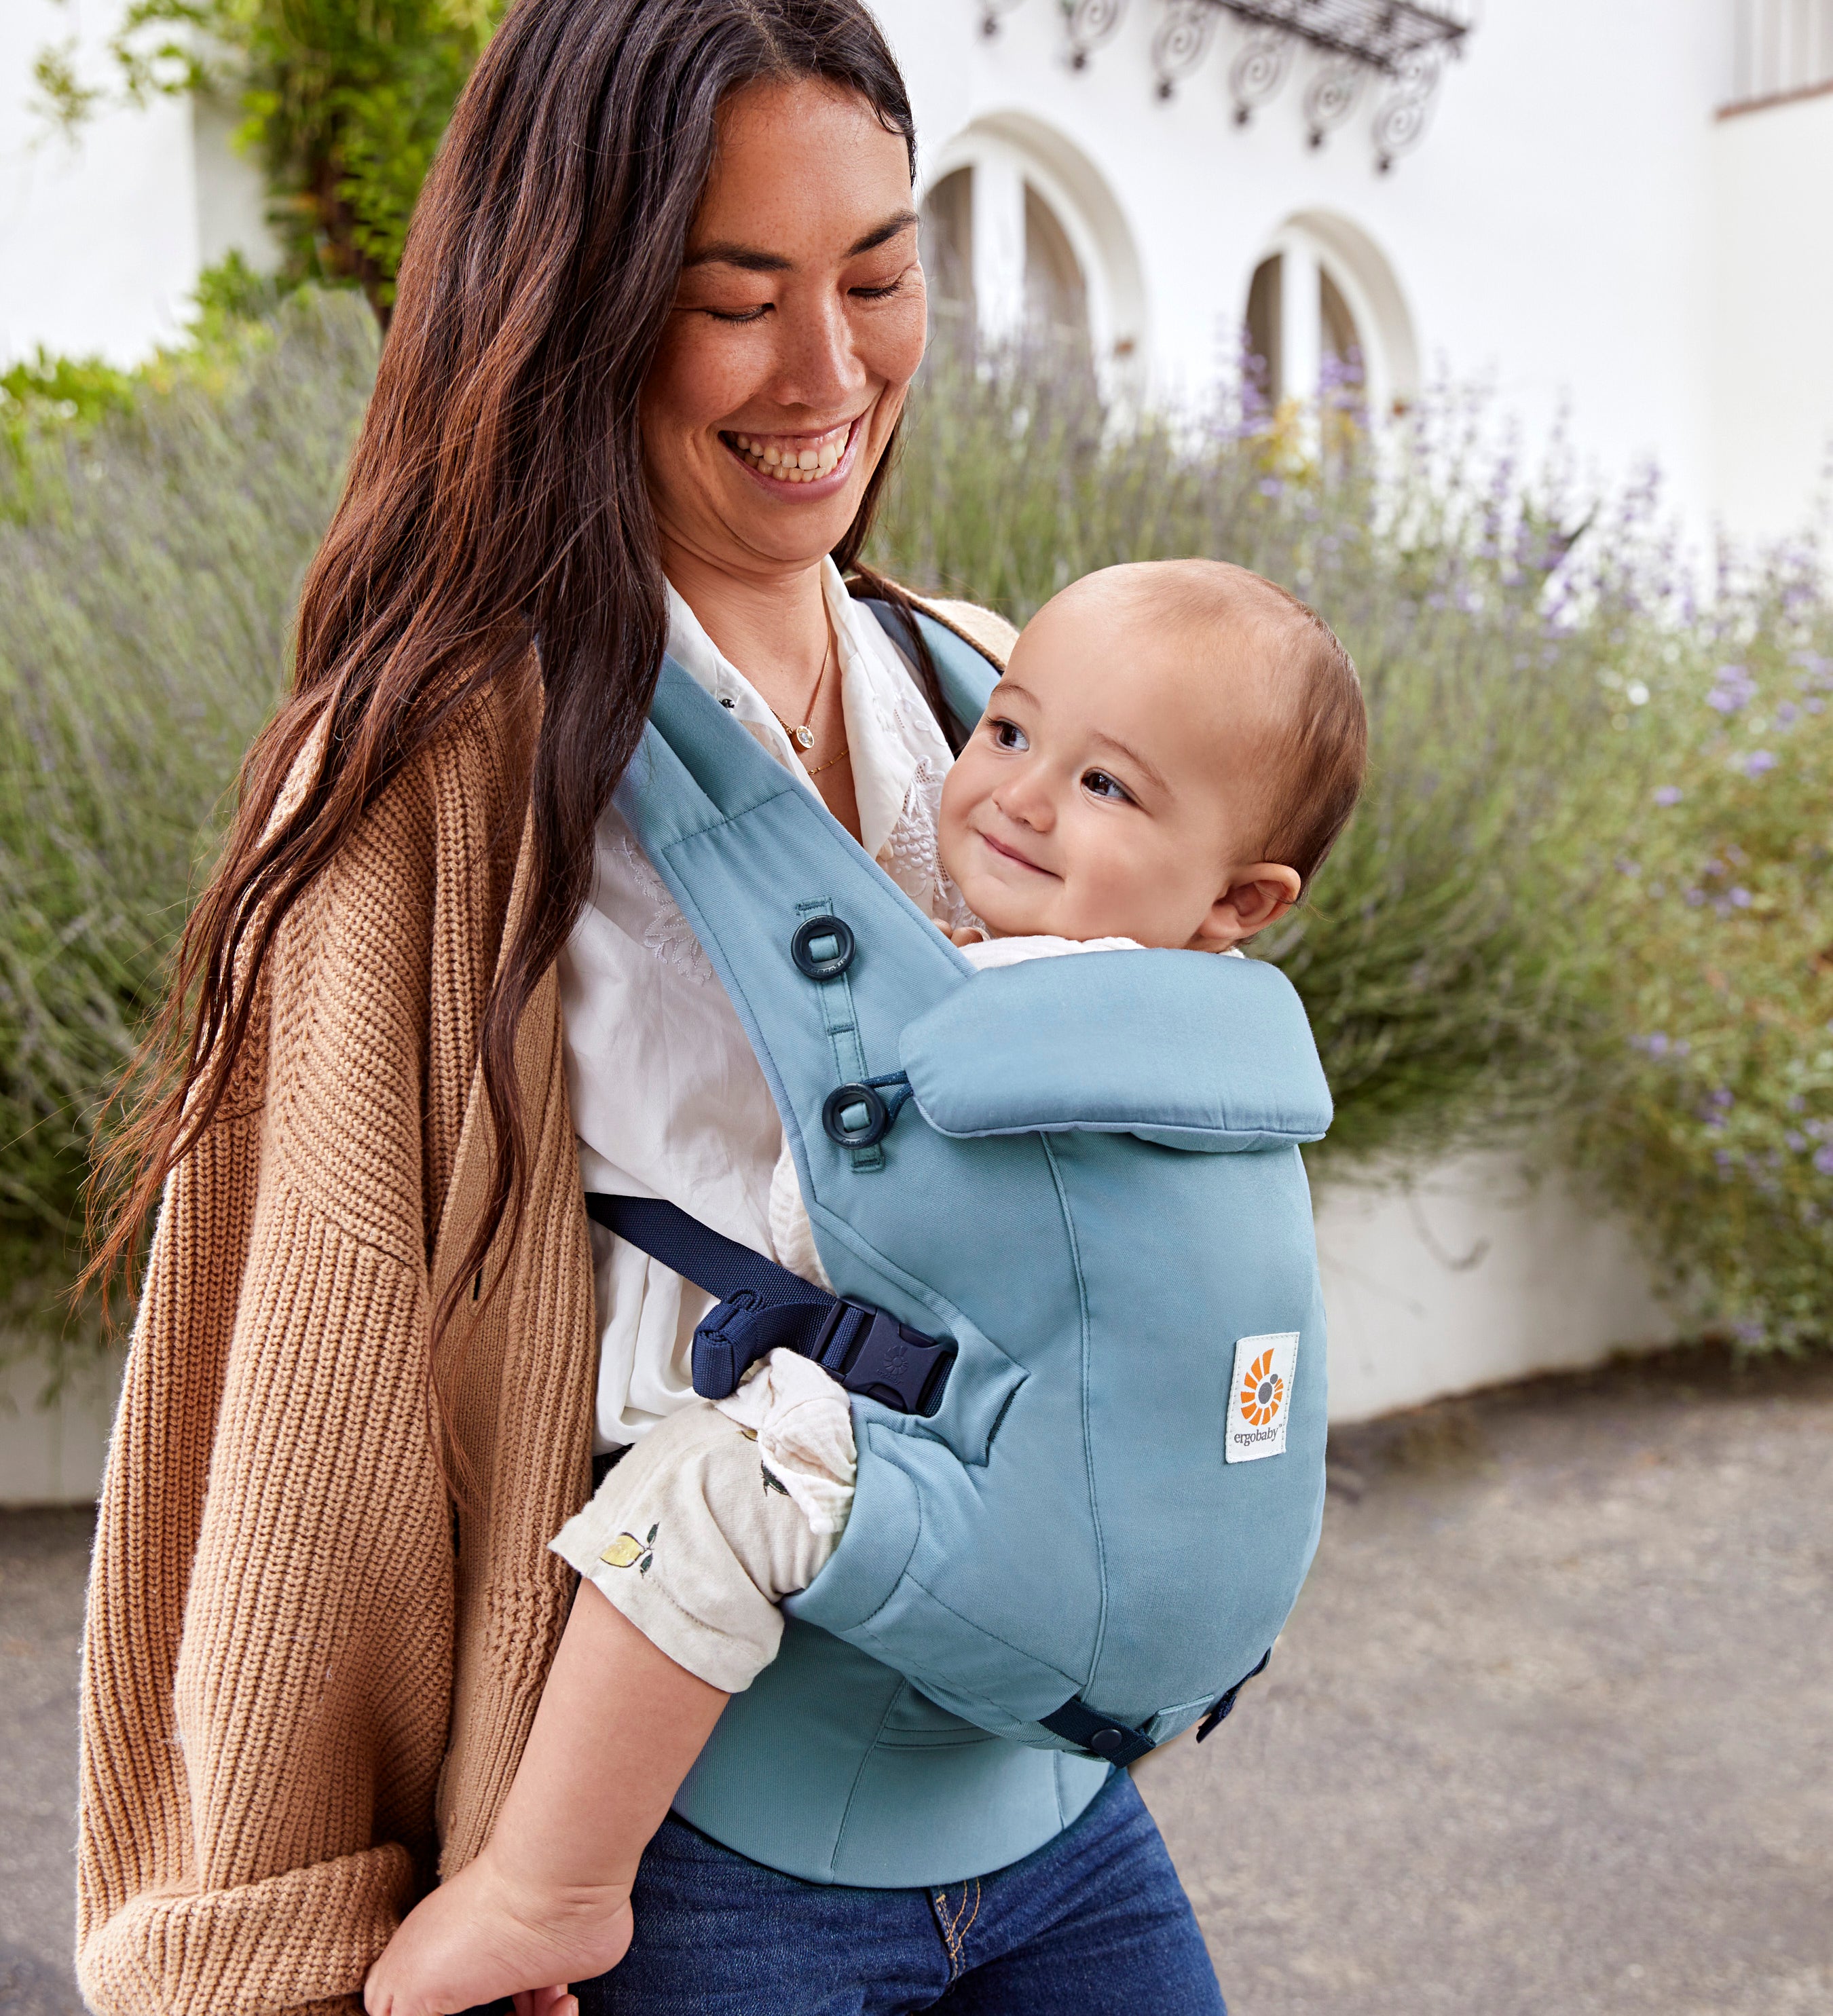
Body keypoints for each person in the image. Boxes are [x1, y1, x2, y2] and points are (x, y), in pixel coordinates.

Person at [74, 4, 1236, 2013]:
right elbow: (305, 1397)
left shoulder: (978, 689)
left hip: (1038, 1808)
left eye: (878, 276)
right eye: (734, 298)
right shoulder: (433, 773)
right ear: (576, 303)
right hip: (682, 1861)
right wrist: (287, 1932)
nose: (830, 369)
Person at [361, 558, 1366, 2016]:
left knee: (710, 1485)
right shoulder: (1234, 1061)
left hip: (1009, 1710)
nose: (1019, 795)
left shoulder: (993, 1015)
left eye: (1107, 788)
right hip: (1078, 1732)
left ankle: (547, 1887)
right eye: (1009, 732)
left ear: (1243, 897)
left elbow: (811, 1220)